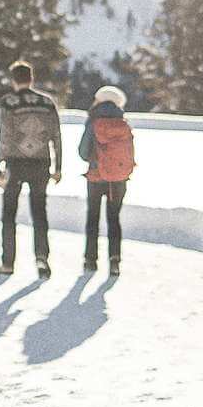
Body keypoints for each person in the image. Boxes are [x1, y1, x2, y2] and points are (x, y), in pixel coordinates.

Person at [0, 60, 63, 278]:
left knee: (9, 213)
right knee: (39, 212)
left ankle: (8, 263)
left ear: (14, 80)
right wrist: (58, 166)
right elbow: (57, 136)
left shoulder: (9, 102)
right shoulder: (47, 102)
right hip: (41, 163)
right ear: (31, 78)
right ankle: (42, 259)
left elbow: (4, 135)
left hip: (16, 161)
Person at [78, 84, 135, 276]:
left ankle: (90, 260)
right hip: (118, 180)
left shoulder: (93, 121)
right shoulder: (123, 122)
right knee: (114, 218)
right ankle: (114, 261)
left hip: (95, 177)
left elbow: (83, 153)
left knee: (92, 218)